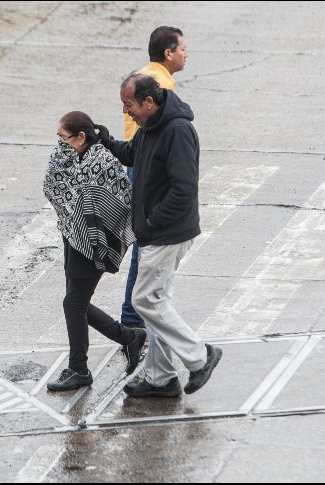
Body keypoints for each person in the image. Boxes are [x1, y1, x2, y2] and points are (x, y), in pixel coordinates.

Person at [104, 73, 222, 398]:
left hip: (167, 234)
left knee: (144, 299)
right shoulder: (150, 127)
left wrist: (153, 222)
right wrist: (104, 140)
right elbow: (132, 154)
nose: (127, 111)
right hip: (155, 233)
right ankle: (160, 378)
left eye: (129, 105)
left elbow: (184, 189)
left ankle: (200, 356)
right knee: (155, 302)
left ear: (150, 102)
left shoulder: (178, 131)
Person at [43, 111, 147, 391]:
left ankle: (79, 369)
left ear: (80, 137)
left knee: (73, 304)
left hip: (94, 242)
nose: (59, 144)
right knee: (76, 303)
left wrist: (92, 228)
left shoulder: (103, 162)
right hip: (71, 234)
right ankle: (130, 337)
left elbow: (117, 202)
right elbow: (53, 186)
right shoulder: (67, 156)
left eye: (63, 138)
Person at [121, 26, 189, 330]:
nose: (186, 55)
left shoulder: (144, 75)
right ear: (168, 53)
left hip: (137, 162)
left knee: (143, 244)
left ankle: (134, 316)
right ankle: (134, 318)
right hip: (147, 167)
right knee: (146, 245)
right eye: (183, 49)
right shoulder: (160, 85)